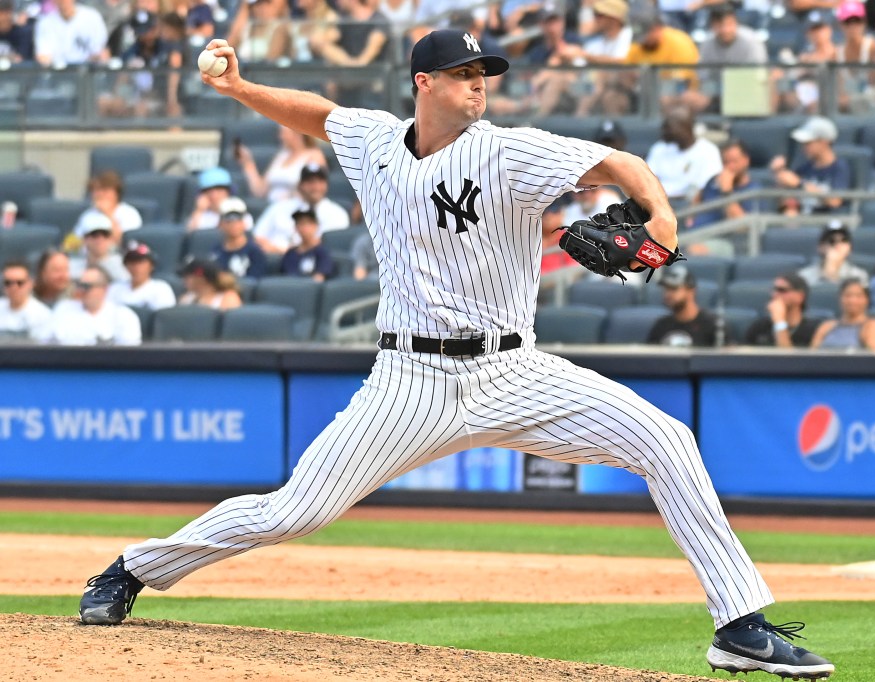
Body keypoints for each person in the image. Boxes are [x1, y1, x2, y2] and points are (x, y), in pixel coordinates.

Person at [78, 30, 834, 681]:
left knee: (667, 440)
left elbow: (619, 163)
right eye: (466, 76)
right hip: (409, 380)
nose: (480, 86)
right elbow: (318, 115)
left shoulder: (508, 153)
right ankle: (136, 568)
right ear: (425, 84)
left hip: (513, 370)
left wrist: (661, 216)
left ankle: (738, 627)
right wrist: (240, 87)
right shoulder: (375, 138)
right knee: (292, 512)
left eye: (485, 76)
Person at [252, 162, 351, 254]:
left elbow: (320, 246)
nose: (315, 187)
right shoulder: (280, 207)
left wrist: (284, 251)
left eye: (320, 182)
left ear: (327, 185)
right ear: (300, 185)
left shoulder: (337, 214)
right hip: (275, 261)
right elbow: (257, 235)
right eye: (310, 182)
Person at [770, 116, 850, 216]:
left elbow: (835, 201)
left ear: (823, 142)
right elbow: (785, 199)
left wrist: (799, 184)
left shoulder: (839, 168)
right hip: (803, 219)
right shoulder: (805, 168)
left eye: (808, 143)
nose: (804, 148)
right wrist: (779, 175)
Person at [44, 265, 142, 346]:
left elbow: (129, 356)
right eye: (79, 285)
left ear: (104, 289)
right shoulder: (63, 309)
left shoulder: (124, 316)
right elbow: (44, 343)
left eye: (86, 286)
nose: (81, 290)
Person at [644, 106, 723, 204]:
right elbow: (646, 179)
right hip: (657, 202)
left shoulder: (708, 150)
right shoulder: (660, 148)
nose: (665, 131)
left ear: (685, 128)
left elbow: (704, 188)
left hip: (688, 204)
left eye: (669, 128)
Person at [235, 124, 329, 201]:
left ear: (297, 132)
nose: (280, 137)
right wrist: (247, 163)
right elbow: (260, 190)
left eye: (283, 133)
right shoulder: (281, 156)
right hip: (273, 210)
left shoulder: (314, 155)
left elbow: (316, 189)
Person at [646, 265, 726, 347]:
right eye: (666, 289)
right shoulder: (661, 326)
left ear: (691, 291)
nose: (667, 294)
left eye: (674, 288)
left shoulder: (713, 326)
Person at [690, 139, 762, 229]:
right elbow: (699, 200)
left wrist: (727, 191)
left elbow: (745, 227)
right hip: (693, 233)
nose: (729, 166)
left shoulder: (753, 190)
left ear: (746, 160)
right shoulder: (713, 181)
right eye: (725, 162)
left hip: (720, 237)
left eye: (734, 161)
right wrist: (691, 217)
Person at [744, 273, 822, 347]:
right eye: (774, 289)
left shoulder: (814, 330)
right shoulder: (759, 327)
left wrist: (779, 321)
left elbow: (786, 360)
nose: (774, 294)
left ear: (800, 296)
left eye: (782, 290)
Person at [809, 278, 875, 351]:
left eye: (858, 296)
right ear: (840, 298)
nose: (852, 300)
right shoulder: (826, 326)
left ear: (867, 300)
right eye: (847, 295)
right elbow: (812, 355)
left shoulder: (872, 325)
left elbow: (873, 358)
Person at [70, 170, 143, 245]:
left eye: (105, 190)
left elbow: (126, 244)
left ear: (116, 192)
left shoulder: (129, 213)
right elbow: (72, 244)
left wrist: (108, 214)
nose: (100, 194)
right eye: (96, 190)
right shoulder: (87, 215)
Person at [33, 0, 109, 67]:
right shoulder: (45, 22)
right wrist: (45, 61)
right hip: (58, 75)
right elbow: (43, 55)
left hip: (87, 72)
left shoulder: (92, 17)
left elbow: (99, 50)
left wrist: (98, 57)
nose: (63, 1)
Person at [108, 241, 177, 310]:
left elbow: (164, 317)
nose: (136, 266)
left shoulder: (161, 289)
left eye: (141, 262)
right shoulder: (115, 288)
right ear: (126, 266)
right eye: (132, 262)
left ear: (151, 265)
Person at [798, 221, 869, 286]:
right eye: (831, 240)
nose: (837, 245)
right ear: (820, 247)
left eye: (844, 240)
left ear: (850, 248)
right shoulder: (803, 277)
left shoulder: (859, 276)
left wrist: (832, 272)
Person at [212, 197, 268, 279]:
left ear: (244, 223)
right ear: (220, 224)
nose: (233, 225)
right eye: (228, 221)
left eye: (238, 220)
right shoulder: (216, 252)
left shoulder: (255, 252)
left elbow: (256, 281)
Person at [68, 214, 131, 283]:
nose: (100, 240)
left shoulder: (123, 264)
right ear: (85, 239)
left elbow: (128, 283)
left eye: (105, 235)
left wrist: (104, 275)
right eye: (95, 235)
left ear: (111, 239)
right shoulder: (74, 263)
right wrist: (81, 276)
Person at [0, 260, 52, 342]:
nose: (14, 287)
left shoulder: (42, 315)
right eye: (8, 283)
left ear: (30, 283)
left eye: (20, 282)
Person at [279, 207, 336, 281]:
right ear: (296, 227)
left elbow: (319, 279)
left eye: (307, 223)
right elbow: (283, 278)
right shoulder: (290, 253)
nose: (304, 227)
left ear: (315, 226)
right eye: (300, 223)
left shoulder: (322, 252)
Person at [187, 166, 246, 232]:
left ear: (228, 192)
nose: (214, 195)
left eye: (219, 189)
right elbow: (191, 236)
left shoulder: (240, 214)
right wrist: (198, 211)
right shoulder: (200, 216)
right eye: (208, 191)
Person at [178, 257, 243, 309]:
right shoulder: (186, 299)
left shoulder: (229, 298)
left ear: (201, 279)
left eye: (187, 277)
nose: (184, 280)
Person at [0, 0, 33, 64]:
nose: (3, 17)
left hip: (16, 73)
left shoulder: (22, 33)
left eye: (6, 12)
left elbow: (21, 59)